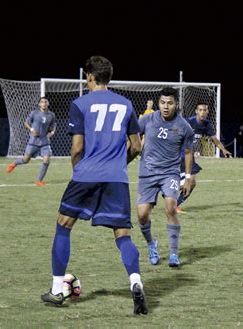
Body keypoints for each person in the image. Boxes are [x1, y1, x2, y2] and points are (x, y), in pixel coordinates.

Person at [40, 56, 148, 315]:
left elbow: (77, 148)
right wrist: (119, 164)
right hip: (117, 178)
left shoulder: (80, 103)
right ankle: (136, 282)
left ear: (89, 75)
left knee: (63, 226)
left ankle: (57, 289)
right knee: (122, 235)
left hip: (86, 174)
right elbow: (136, 146)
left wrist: (79, 171)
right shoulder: (126, 104)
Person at [136, 87, 195, 268]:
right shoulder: (147, 119)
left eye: (170, 103)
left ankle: (173, 253)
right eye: (163, 103)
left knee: (171, 207)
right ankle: (151, 245)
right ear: (158, 103)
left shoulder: (184, 126)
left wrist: (187, 176)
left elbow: (187, 152)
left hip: (169, 173)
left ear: (176, 104)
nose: (166, 106)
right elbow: (131, 133)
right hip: (147, 173)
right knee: (142, 215)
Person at [176, 102, 232, 213]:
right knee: (189, 181)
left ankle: (174, 203)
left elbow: (214, 139)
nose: (202, 112)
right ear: (196, 111)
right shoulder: (188, 122)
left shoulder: (207, 124)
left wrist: (224, 150)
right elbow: (175, 131)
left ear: (207, 112)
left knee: (191, 182)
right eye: (200, 110)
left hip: (189, 156)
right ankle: (170, 198)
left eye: (204, 110)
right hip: (179, 155)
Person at [6, 97, 56, 186]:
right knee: (25, 160)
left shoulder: (51, 115)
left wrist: (52, 132)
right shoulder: (34, 113)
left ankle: (39, 180)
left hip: (44, 142)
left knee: (46, 160)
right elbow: (26, 123)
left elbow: (53, 125)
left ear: (48, 103)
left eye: (45, 102)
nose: (44, 103)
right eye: (42, 102)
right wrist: (32, 129)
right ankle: (14, 164)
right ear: (39, 104)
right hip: (33, 141)